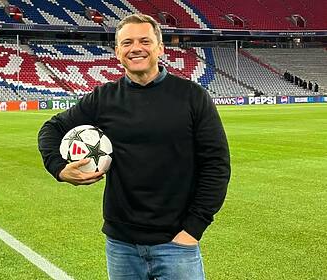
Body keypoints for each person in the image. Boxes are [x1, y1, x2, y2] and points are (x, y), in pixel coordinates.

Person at [38, 13, 230, 280]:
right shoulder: (103, 98)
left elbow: (216, 166)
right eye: (127, 42)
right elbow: (52, 128)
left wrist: (193, 230)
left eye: (145, 40)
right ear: (117, 51)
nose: (136, 48)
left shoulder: (192, 97)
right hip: (121, 244)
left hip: (176, 245)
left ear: (160, 47)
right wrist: (58, 168)